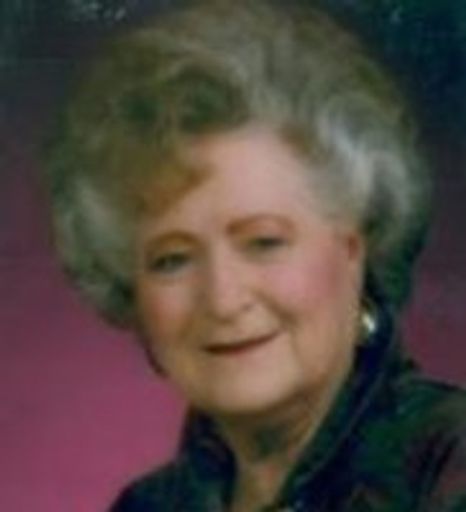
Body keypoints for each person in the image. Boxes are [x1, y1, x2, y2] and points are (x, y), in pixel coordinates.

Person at [44, 0, 466, 510]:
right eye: (172, 260)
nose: (223, 300)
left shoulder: (448, 463)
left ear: (355, 246)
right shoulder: (148, 505)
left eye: (264, 242)